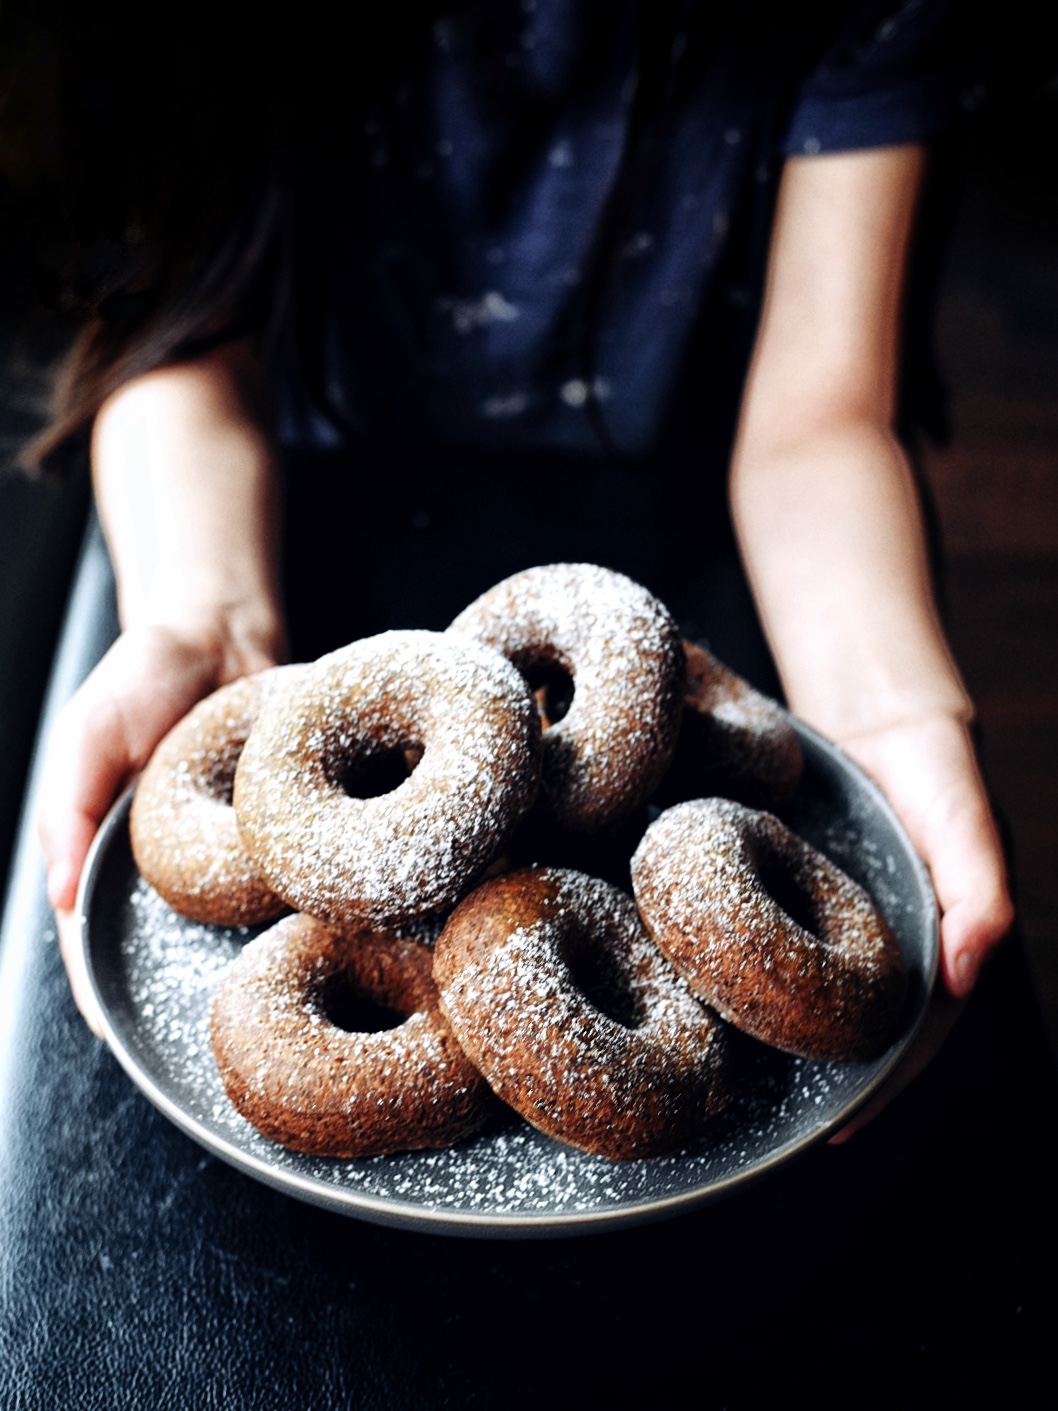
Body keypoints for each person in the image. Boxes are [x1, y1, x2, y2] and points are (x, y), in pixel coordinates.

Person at [19, 1, 1015, 1137]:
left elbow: (817, 420)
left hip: (695, 530)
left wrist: (886, 703)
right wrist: (201, 615)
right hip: (296, 520)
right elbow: (178, 339)